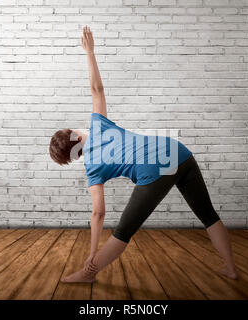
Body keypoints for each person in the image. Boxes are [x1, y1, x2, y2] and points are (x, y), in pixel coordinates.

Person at [49, 26, 238, 283]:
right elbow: (97, 90)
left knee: (124, 231)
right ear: (72, 133)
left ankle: (88, 273)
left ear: (72, 156)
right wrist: (90, 53)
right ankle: (231, 268)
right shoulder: (100, 125)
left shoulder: (91, 167)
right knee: (208, 214)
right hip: (178, 151)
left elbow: (98, 213)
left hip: (155, 169)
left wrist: (92, 252)